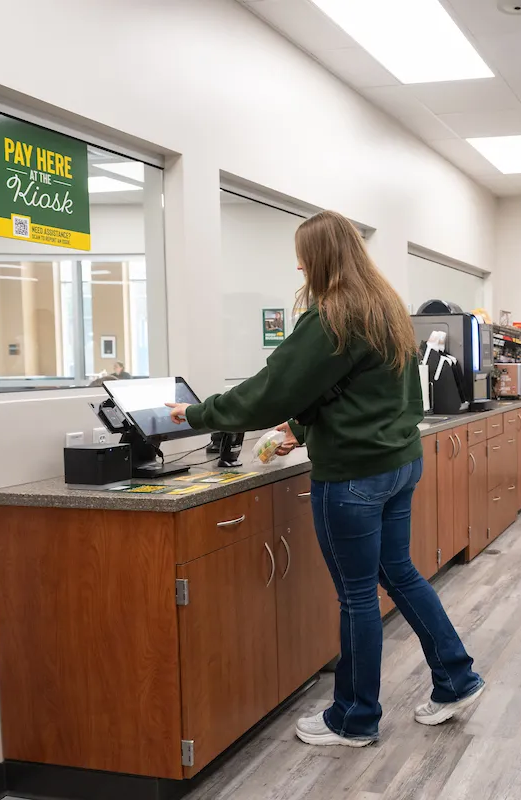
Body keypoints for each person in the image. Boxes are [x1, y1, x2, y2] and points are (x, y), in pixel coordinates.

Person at [167, 210, 484, 746]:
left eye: (301, 255)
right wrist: (299, 426)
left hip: (355, 476)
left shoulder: (330, 316)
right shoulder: (385, 309)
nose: (297, 265)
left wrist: (195, 415)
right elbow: (357, 391)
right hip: (399, 463)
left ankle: (355, 718)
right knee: (401, 573)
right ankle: (456, 678)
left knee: (358, 596)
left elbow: (272, 387)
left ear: (320, 258)